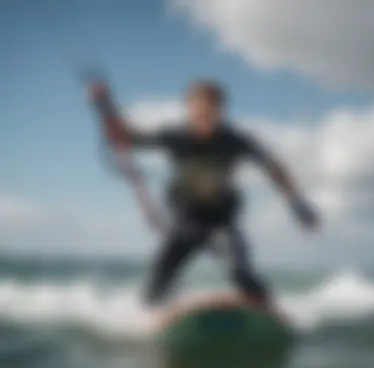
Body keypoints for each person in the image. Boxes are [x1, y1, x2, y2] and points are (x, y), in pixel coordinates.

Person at [88, 79, 319, 306]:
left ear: (221, 110)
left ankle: (269, 313)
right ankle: (153, 316)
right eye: (198, 111)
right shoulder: (176, 137)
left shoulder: (235, 141)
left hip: (221, 223)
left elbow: (274, 168)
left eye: (211, 111)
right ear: (189, 109)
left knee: (241, 272)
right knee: (156, 284)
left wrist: (297, 202)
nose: (204, 118)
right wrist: (105, 106)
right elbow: (127, 138)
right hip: (185, 223)